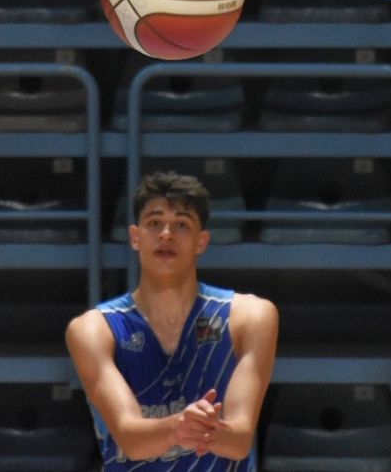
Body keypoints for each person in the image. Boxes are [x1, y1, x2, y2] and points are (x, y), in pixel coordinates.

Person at [66, 170, 279, 472]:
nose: (166, 234)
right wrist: (182, 426)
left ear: (201, 241)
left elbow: (239, 440)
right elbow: (131, 439)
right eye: (154, 223)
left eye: (182, 224)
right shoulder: (94, 328)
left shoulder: (249, 316)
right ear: (135, 237)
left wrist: (189, 428)